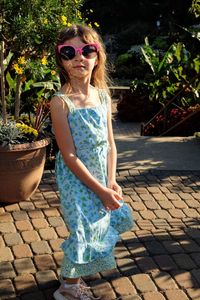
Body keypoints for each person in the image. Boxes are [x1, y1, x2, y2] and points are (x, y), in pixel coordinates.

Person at [50, 23, 134, 300]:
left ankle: (71, 281)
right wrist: (99, 190)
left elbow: (110, 145)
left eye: (87, 50)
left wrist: (110, 181)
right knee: (82, 230)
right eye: (69, 52)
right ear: (61, 60)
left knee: (98, 225)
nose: (79, 57)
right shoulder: (61, 103)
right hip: (77, 179)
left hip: (101, 176)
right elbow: (69, 155)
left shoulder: (103, 96)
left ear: (97, 56)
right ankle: (68, 288)